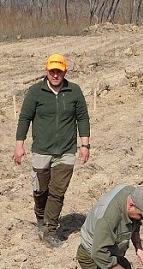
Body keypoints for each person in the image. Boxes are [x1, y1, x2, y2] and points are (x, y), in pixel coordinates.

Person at [13, 54, 91, 248]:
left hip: (66, 150)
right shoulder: (35, 92)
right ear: (46, 71)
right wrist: (19, 144)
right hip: (42, 150)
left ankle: (50, 230)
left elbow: (82, 118)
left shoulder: (74, 91)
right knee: (41, 190)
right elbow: (24, 118)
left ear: (65, 71)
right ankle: (40, 215)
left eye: (59, 71)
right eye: (52, 71)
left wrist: (85, 145)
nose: (56, 75)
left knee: (57, 191)